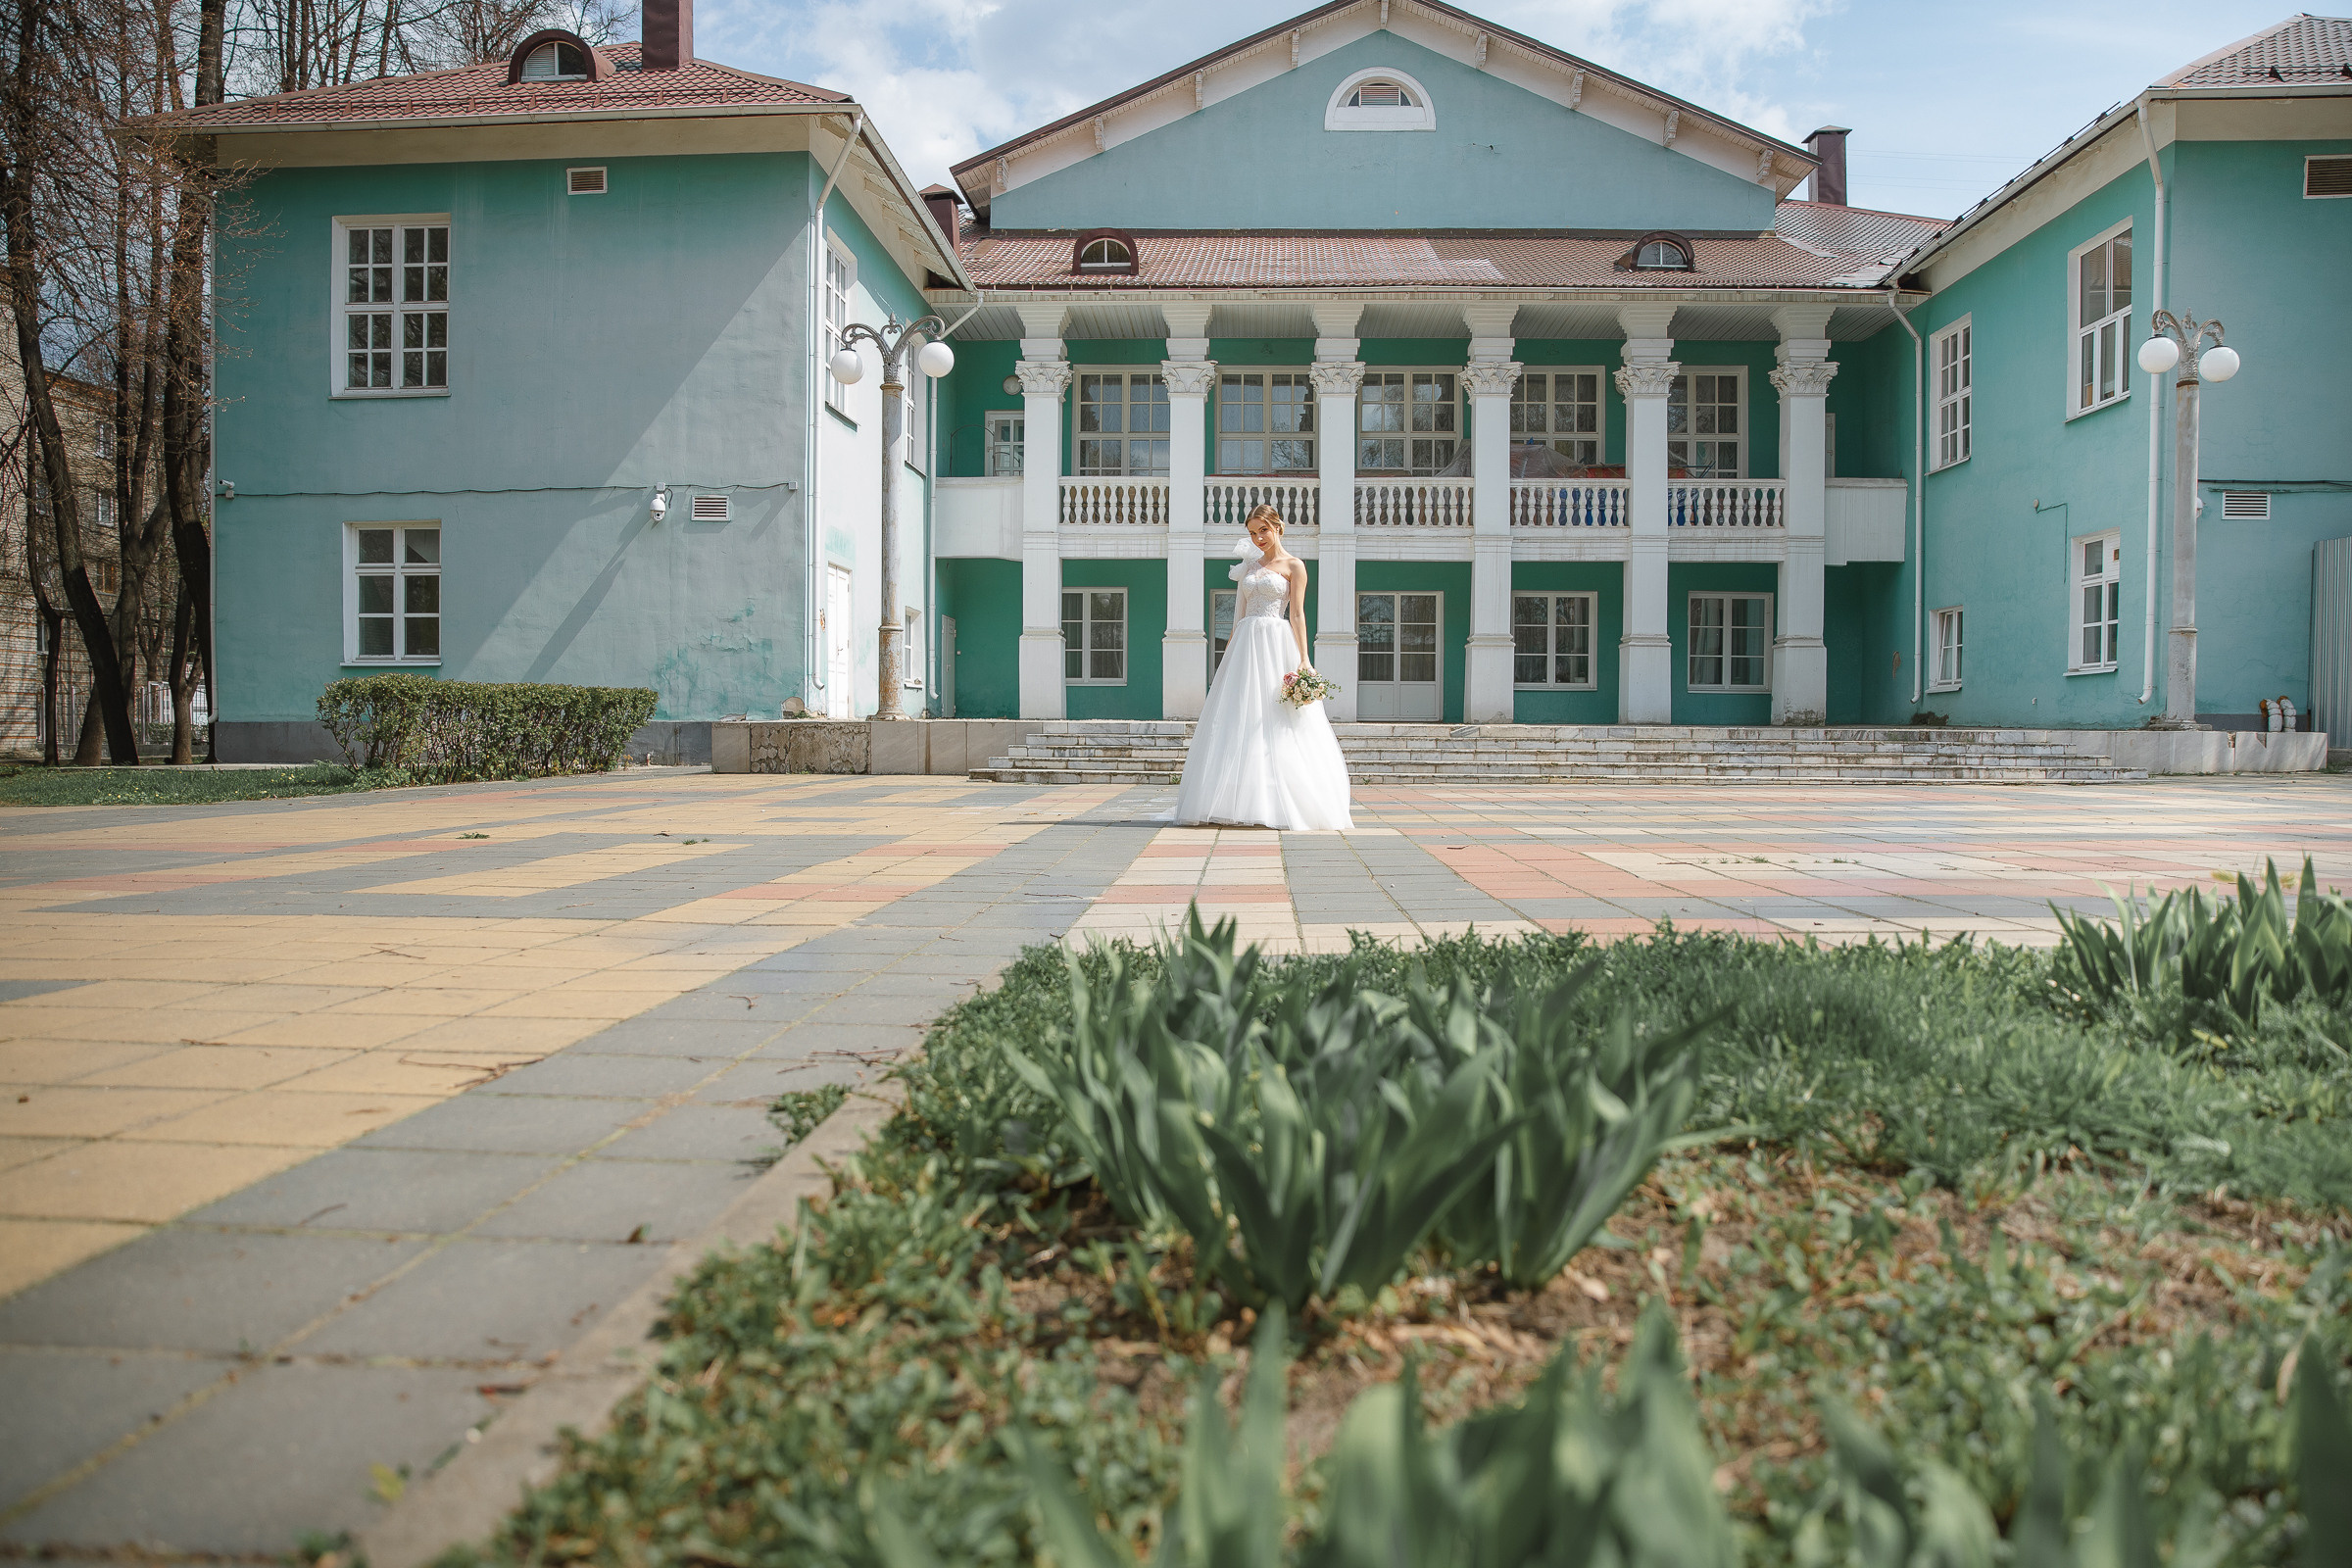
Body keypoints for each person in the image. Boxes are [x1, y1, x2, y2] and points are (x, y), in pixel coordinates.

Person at [1171, 504, 1353, 831]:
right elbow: (1238, 615)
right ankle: (1233, 800)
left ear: (1277, 527)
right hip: (1245, 645)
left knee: (1276, 717)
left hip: (1275, 641)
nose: (1258, 538)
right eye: (1253, 533)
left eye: (1263, 530)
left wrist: (1304, 660)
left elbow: (1296, 614)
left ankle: (1282, 801)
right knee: (1238, 716)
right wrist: (1227, 658)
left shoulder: (1294, 566)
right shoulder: (1248, 567)